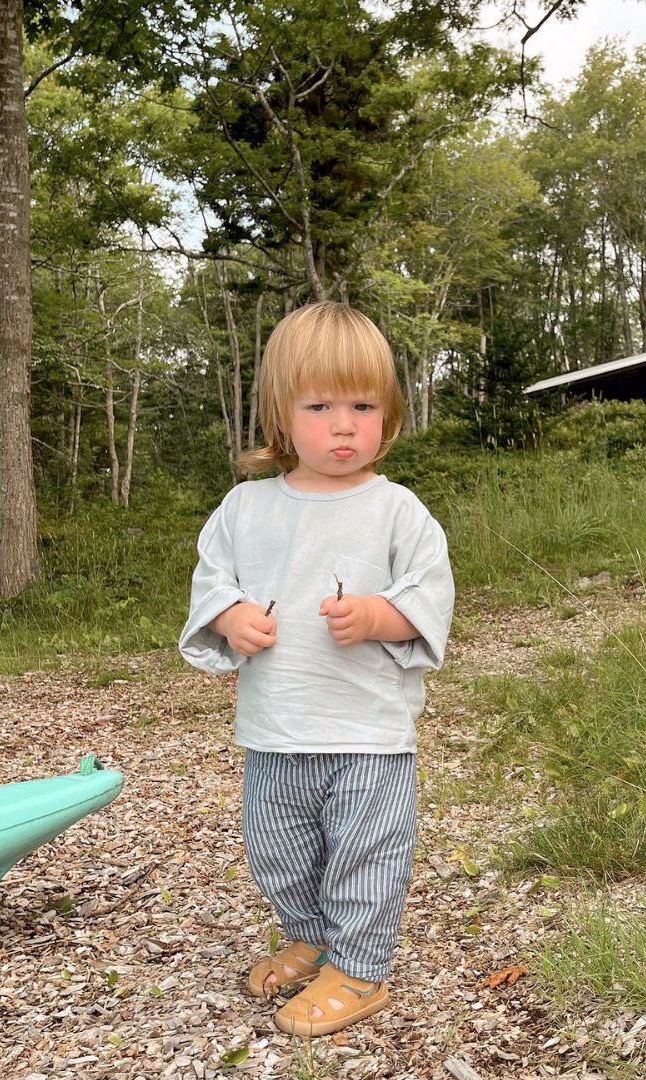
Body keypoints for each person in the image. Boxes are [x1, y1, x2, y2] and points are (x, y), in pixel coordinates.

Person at [179, 301, 454, 1037]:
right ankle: (313, 933)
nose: (343, 424)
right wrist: (230, 618)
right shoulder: (245, 508)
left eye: (363, 405)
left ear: (389, 417)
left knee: (365, 852)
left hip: (368, 732)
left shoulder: (398, 512)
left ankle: (360, 968)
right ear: (281, 414)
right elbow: (213, 586)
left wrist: (375, 616)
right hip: (275, 728)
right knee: (278, 849)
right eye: (320, 405)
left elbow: (429, 603)